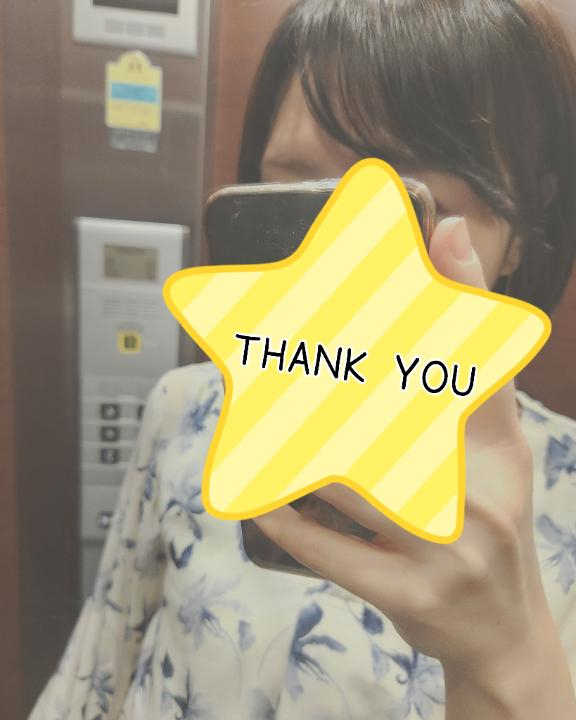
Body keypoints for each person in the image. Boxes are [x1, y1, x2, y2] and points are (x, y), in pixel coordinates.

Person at [30, 1, 576, 718]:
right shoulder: (185, 410)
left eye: (403, 206)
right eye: (301, 191)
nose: (340, 268)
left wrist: (506, 659)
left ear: (522, 228)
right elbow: (93, 676)